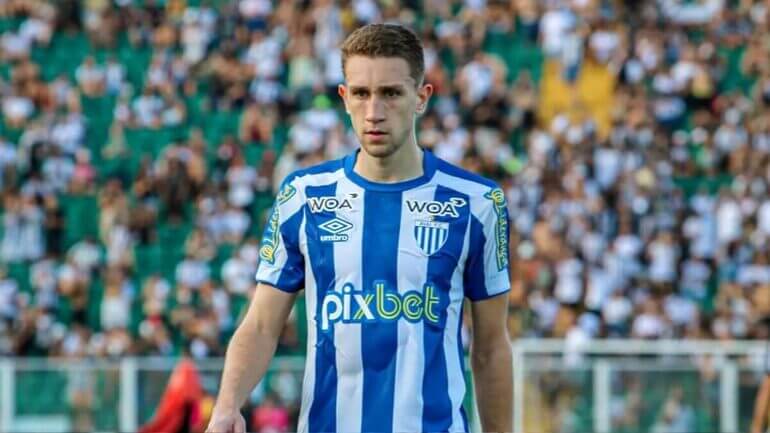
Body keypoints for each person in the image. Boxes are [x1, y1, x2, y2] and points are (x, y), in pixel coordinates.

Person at [206, 23, 513, 433]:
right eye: (362, 94)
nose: (374, 112)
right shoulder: (304, 196)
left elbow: (491, 347)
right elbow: (261, 324)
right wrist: (226, 406)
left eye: (391, 93)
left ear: (422, 98)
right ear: (343, 97)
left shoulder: (477, 203)